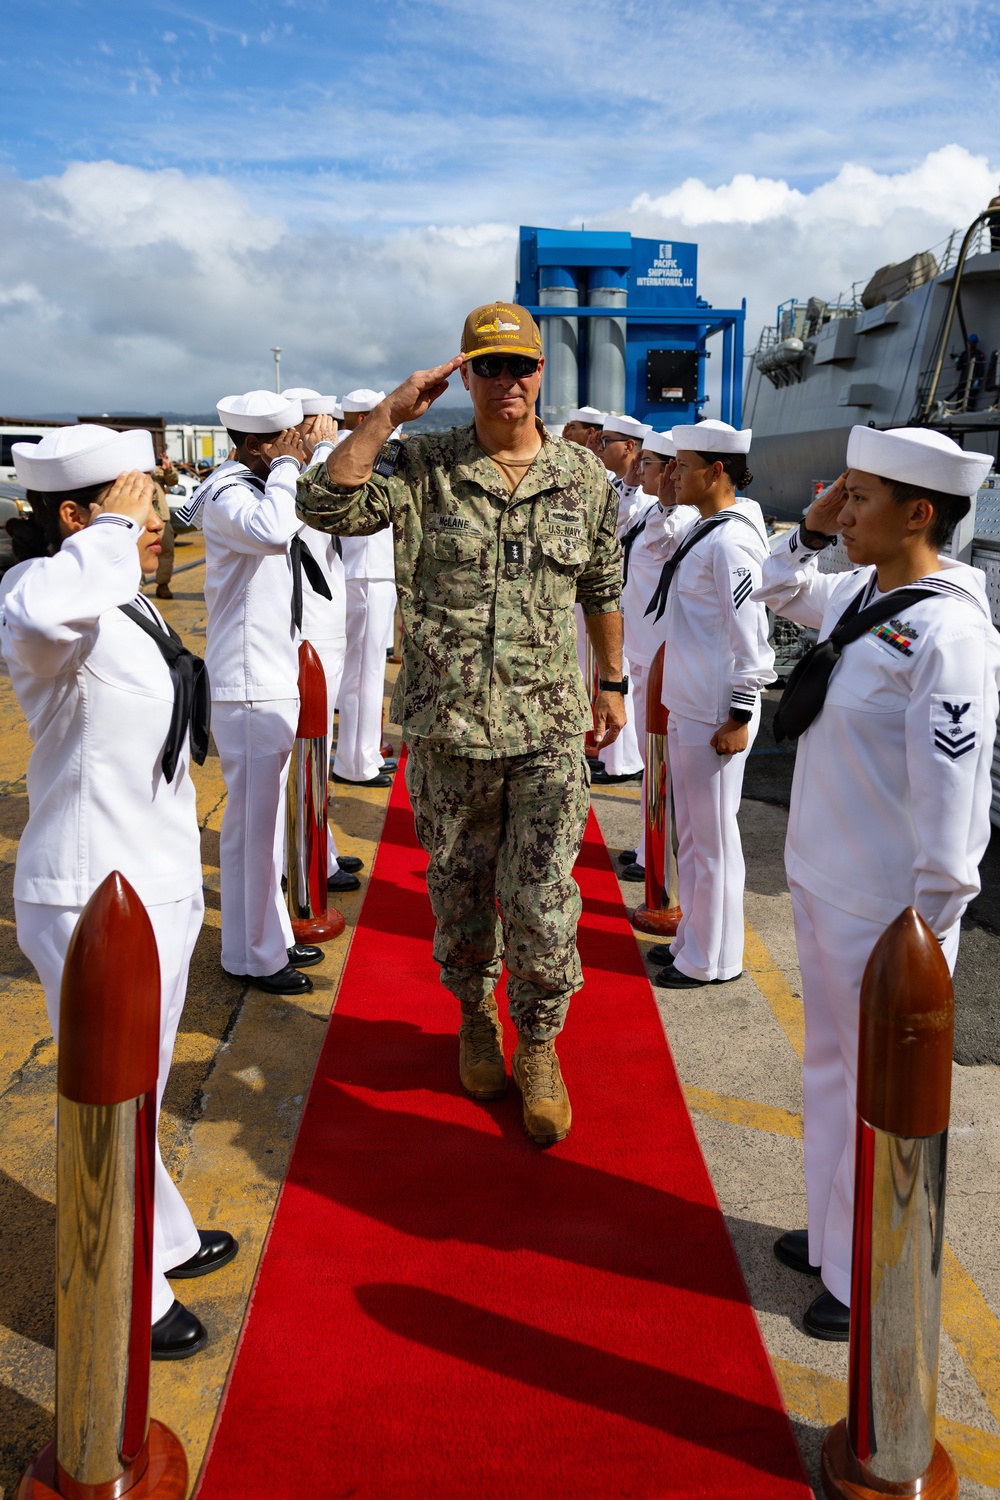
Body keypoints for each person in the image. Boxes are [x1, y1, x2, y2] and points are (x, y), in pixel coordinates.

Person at [296, 300, 626, 1146]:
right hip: (449, 732)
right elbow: (323, 506)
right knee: (460, 893)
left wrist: (614, 681)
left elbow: (600, 587)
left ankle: (542, 1046)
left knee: (546, 898)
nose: (506, 381)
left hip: (548, 730)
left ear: (541, 373)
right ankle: (475, 1019)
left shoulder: (584, 480)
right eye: (488, 366)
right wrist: (387, 414)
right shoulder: (424, 465)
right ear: (464, 374)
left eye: (520, 366)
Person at [0, 424, 237, 1361]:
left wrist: (118, 532)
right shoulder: (42, 593)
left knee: (143, 1087)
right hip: (94, 892)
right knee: (115, 1097)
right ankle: (126, 1297)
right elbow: (42, 613)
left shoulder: (126, 601)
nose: (157, 522)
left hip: (155, 877)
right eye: (140, 505)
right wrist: (105, 532)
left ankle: (165, 1236)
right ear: (73, 517)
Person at [757, 426, 998, 1340]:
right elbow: (776, 590)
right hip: (825, 884)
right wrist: (814, 529)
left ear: (919, 513)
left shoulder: (951, 633)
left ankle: (870, 1276)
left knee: (884, 1099)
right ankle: (831, 1235)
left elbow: (954, 806)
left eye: (860, 498)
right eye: (844, 495)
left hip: (891, 915)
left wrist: (928, 936)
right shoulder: (865, 588)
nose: (844, 508)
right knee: (828, 1073)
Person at [190, 389, 323, 997]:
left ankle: (269, 936)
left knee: (266, 827)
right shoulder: (227, 492)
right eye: (285, 441)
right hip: (246, 684)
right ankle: (249, 956)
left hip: (268, 676)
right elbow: (274, 531)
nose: (293, 450)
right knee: (250, 829)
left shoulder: (256, 485)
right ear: (259, 444)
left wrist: (299, 464)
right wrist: (293, 466)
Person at [645, 420, 775, 990]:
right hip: (690, 704)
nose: (674, 474)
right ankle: (691, 943)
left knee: (716, 839)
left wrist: (741, 715)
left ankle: (715, 960)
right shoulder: (709, 527)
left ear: (716, 471)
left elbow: (753, 635)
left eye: (684, 466)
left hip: (717, 713)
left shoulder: (733, 540)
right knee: (694, 835)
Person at [282, 388, 363, 892]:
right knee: (303, 746)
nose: (331, 428)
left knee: (318, 744)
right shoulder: (291, 474)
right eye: (323, 421)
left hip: (326, 618)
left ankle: (319, 846)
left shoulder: (322, 463)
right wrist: (308, 455)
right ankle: (301, 856)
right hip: (305, 624)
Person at [616, 431, 699, 881]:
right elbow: (617, 524)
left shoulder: (681, 517)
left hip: (664, 655)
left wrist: (663, 502)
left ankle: (661, 857)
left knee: (665, 762)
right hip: (643, 649)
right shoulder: (651, 509)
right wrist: (632, 484)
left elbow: (662, 543)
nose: (638, 467)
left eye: (646, 462)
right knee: (655, 760)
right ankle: (652, 847)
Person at [331, 388, 398, 788]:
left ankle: (366, 751)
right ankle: (354, 763)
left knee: (368, 670)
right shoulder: (354, 451)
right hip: (364, 572)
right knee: (360, 672)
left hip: (370, 571)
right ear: (362, 420)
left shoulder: (353, 449)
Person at [586, 412, 649, 787]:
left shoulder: (645, 494)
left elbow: (615, 525)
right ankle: (614, 755)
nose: (600, 446)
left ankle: (625, 761)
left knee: (622, 677)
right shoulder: (614, 484)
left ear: (630, 447)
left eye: (607, 441)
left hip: (630, 601)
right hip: (616, 597)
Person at [152, 453, 180, 599]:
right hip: (141, 517)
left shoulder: (157, 467)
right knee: (137, 554)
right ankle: (136, 589)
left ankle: (163, 585)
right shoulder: (133, 465)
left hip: (162, 517)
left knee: (167, 552)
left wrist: (168, 469)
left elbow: (173, 481)